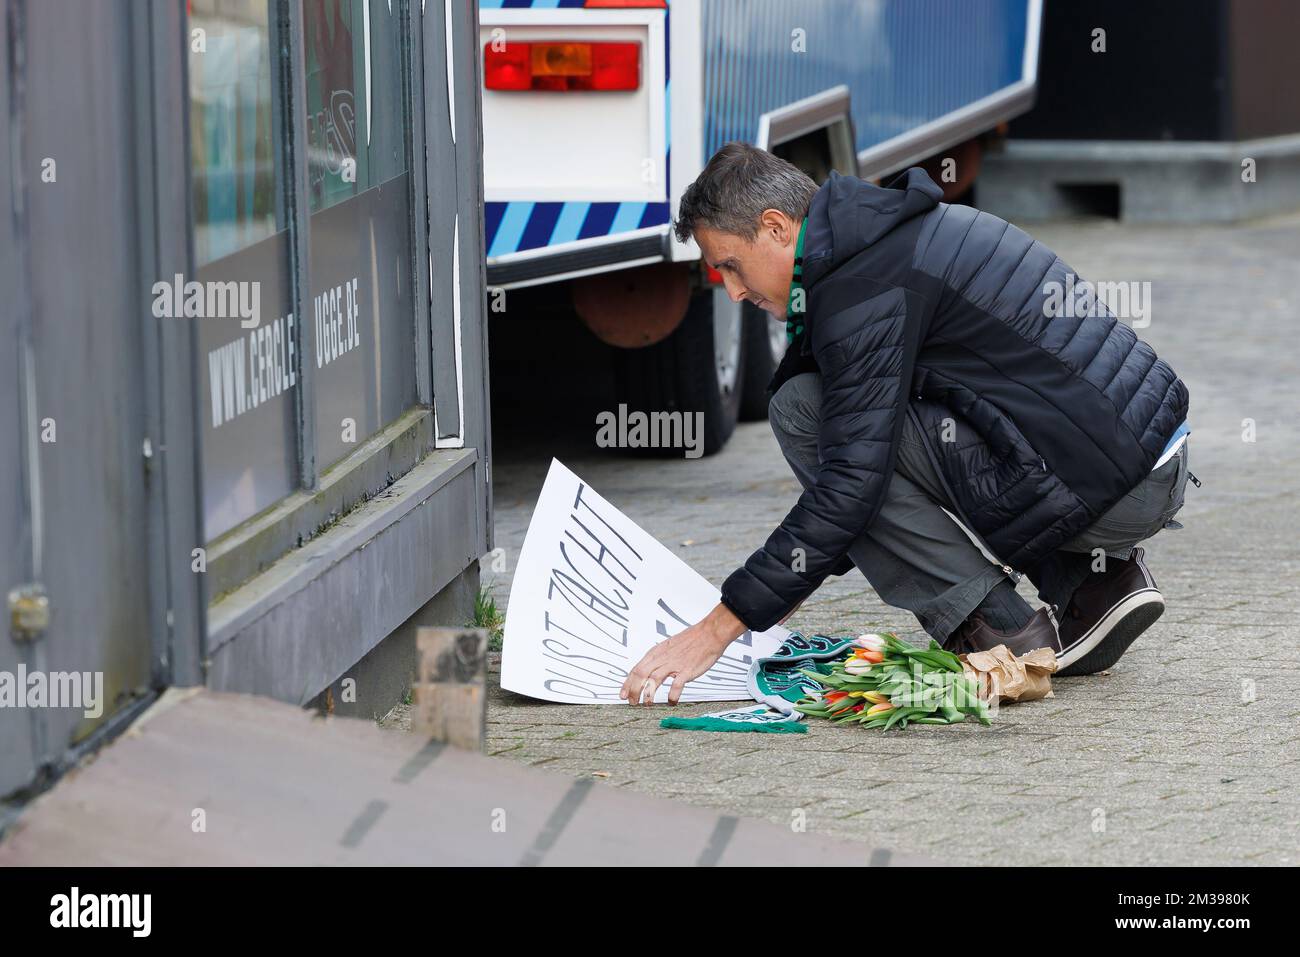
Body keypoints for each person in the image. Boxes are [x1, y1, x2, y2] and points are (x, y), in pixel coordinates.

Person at [621, 142, 1192, 706]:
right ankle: (1091, 583)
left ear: (775, 227)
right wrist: (793, 578)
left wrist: (716, 630)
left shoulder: (860, 290)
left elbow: (851, 485)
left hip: (1111, 485)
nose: (735, 290)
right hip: (1144, 463)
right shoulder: (893, 235)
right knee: (860, 430)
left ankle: (997, 628)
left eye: (729, 266)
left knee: (802, 411)